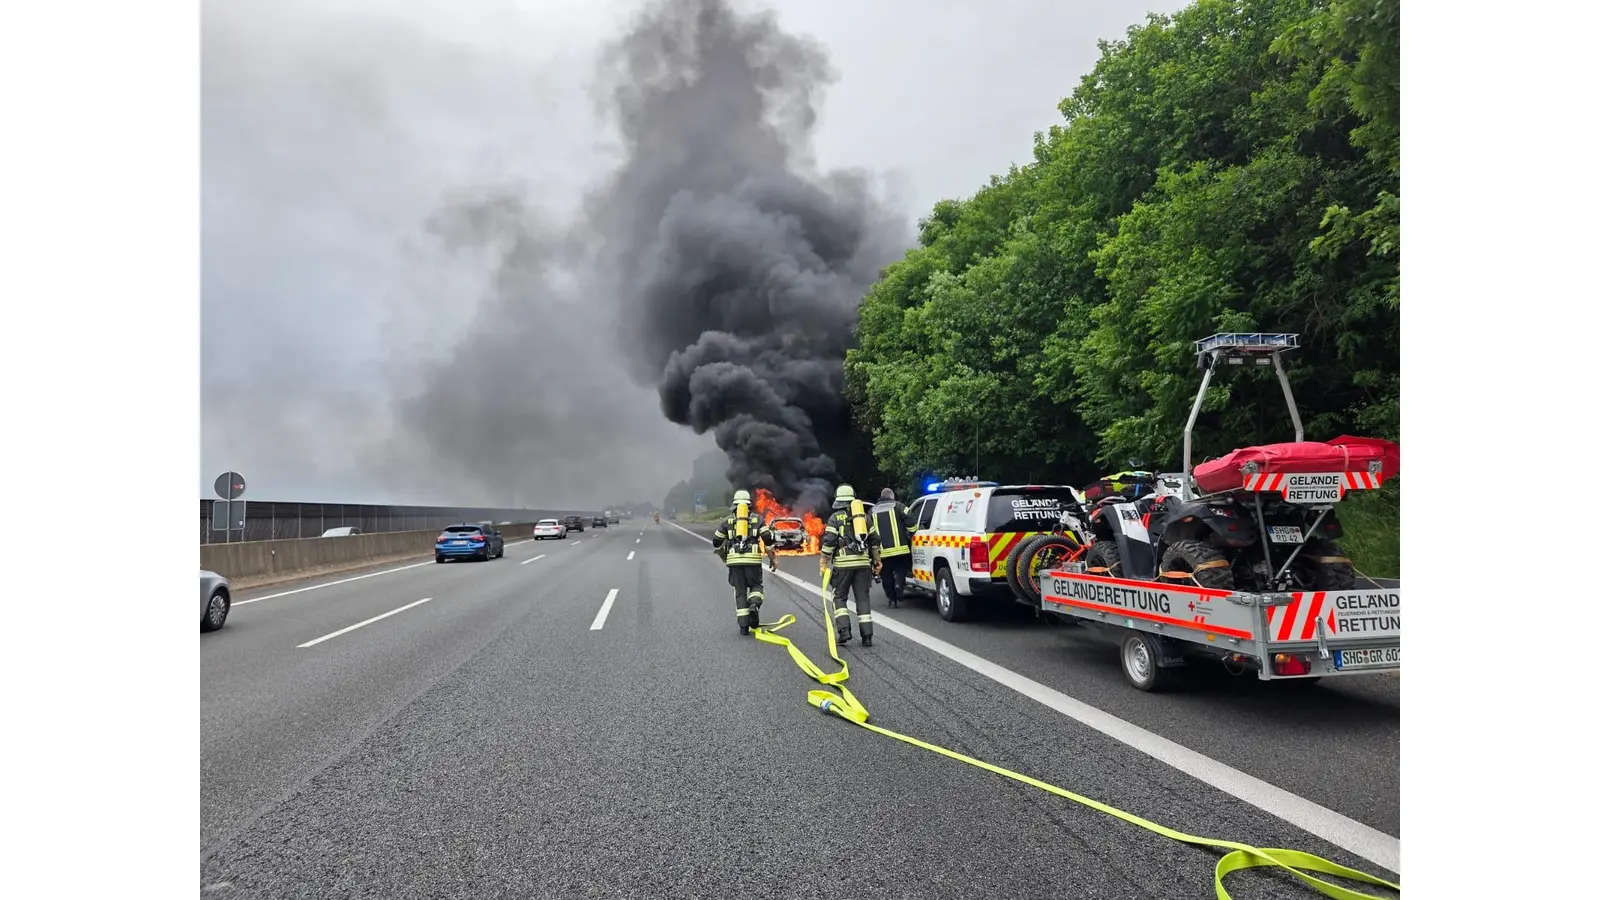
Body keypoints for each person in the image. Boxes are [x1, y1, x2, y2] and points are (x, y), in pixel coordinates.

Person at [820, 483, 882, 647]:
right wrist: (877, 561)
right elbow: (875, 540)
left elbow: (829, 542)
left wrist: (823, 562)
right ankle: (867, 636)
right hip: (863, 564)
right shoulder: (866, 518)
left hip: (843, 565)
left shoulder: (835, 518)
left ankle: (844, 631)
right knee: (863, 599)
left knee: (839, 597)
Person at [712, 489, 777, 635]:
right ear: (749, 505)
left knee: (740, 592)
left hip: (734, 561)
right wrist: (773, 558)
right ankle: (754, 605)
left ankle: (743, 627)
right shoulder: (758, 520)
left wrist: (724, 549)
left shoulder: (727, 522)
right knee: (756, 586)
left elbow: (716, 541)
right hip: (753, 561)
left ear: (734, 505)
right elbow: (768, 539)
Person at [871, 488, 915, 608]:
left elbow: (868, 528)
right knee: (901, 568)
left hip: (882, 552)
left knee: (886, 575)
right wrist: (912, 533)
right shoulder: (899, 506)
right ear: (892, 497)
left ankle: (892, 598)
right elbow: (910, 518)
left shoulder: (872, 511)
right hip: (900, 550)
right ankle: (899, 585)